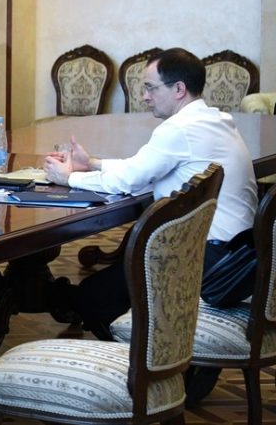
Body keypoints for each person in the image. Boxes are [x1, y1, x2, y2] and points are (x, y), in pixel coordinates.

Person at [44, 48, 257, 341]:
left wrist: (68, 178)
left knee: (94, 298)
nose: (145, 96)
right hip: (240, 256)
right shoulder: (216, 120)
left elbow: (129, 180)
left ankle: (142, 360)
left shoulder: (179, 129)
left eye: (150, 88)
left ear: (179, 89)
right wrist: (92, 163)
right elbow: (142, 168)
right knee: (114, 276)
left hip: (209, 261)